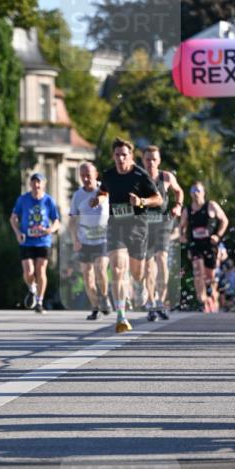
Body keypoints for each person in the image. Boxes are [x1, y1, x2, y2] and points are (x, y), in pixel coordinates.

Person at [90, 138, 161, 333]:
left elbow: (158, 199)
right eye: (117, 155)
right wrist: (98, 199)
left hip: (137, 229)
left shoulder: (140, 175)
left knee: (137, 274)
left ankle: (139, 287)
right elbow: (104, 190)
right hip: (116, 228)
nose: (121, 159)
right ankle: (121, 316)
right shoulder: (109, 175)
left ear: (130, 156)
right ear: (113, 156)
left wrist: (141, 201)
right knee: (118, 269)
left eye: (124, 155)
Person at [142, 146, 184, 321]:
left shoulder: (166, 177)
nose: (151, 162)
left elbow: (179, 191)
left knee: (161, 259)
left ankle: (161, 301)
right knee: (148, 265)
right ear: (143, 161)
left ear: (158, 161)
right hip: (144, 224)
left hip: (163, 222)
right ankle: (152, 303)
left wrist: (178, 205)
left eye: (154, 159)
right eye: (147, 159)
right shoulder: (137, 178)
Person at [10, 172, 60, 313]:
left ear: (44, 184)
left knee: (41, 270)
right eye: (34, 182)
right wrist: (18, 233)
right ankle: (32, 289)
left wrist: (50, 230)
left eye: (39, 183)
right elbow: (13, 218)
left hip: (43, 241)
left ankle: (39, 302)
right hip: (26, 241)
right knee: (29, 271)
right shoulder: (23, 199)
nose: (36, 185)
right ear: (30, 184)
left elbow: (57, 221)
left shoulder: (49, 201)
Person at [68, 162, 111, 320]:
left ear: (96, 174)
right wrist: (75, 240)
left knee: (100, 269)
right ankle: (96, 306)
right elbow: (72, 221)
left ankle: (105, 297)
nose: (85, 178)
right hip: (85, 240)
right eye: (82, 175)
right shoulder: (78, 195)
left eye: (88, 175)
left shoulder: (105, 191)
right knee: (87, 275)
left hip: (103, 239)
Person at [180, 182, 229, 313]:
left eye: (198, 190)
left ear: (203, 193)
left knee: (210, 276)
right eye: (193, 190)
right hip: (195, 244)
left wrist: (218, 235)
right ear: (190, 194)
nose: (196, 193)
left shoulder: (211, 206)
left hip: (209, 244)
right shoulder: (187, 210)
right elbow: (181, 227)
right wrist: (182, 236)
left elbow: (224, 220)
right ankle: (201, 300)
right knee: (197, 271)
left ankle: (213, 296)